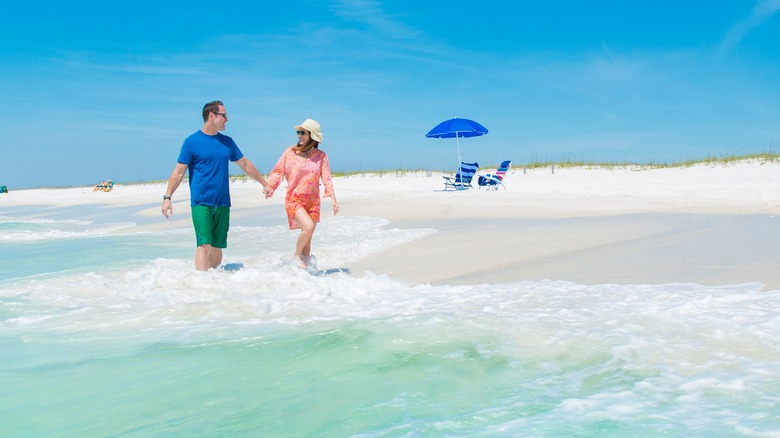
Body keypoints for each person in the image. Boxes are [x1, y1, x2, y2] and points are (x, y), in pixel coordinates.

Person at [161, 100, 272, 271]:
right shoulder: (192, 142)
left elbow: (245, 164)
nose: (227, 119)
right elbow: (179, 171)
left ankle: (214, 282)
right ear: (212, 116)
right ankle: (201, 281)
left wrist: (264, 183)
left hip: (222, 202)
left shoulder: (227, 142)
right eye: (224, 115)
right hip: (201, 201)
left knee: (217, 245)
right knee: (204, 244)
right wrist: (168, 197)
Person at [267, 118, 339, 270]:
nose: (299, 135)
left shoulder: (321, 156)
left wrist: (333, 198)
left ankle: (305, 274)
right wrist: (270, 187)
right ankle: (296, 256)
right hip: (294, 199)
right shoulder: (290, 152)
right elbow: (278, 170)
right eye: (298, 132)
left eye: (303, 132)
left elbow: (326, 177)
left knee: (308, 238)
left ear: (312, 136)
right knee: (308, 227)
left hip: (313, 202)